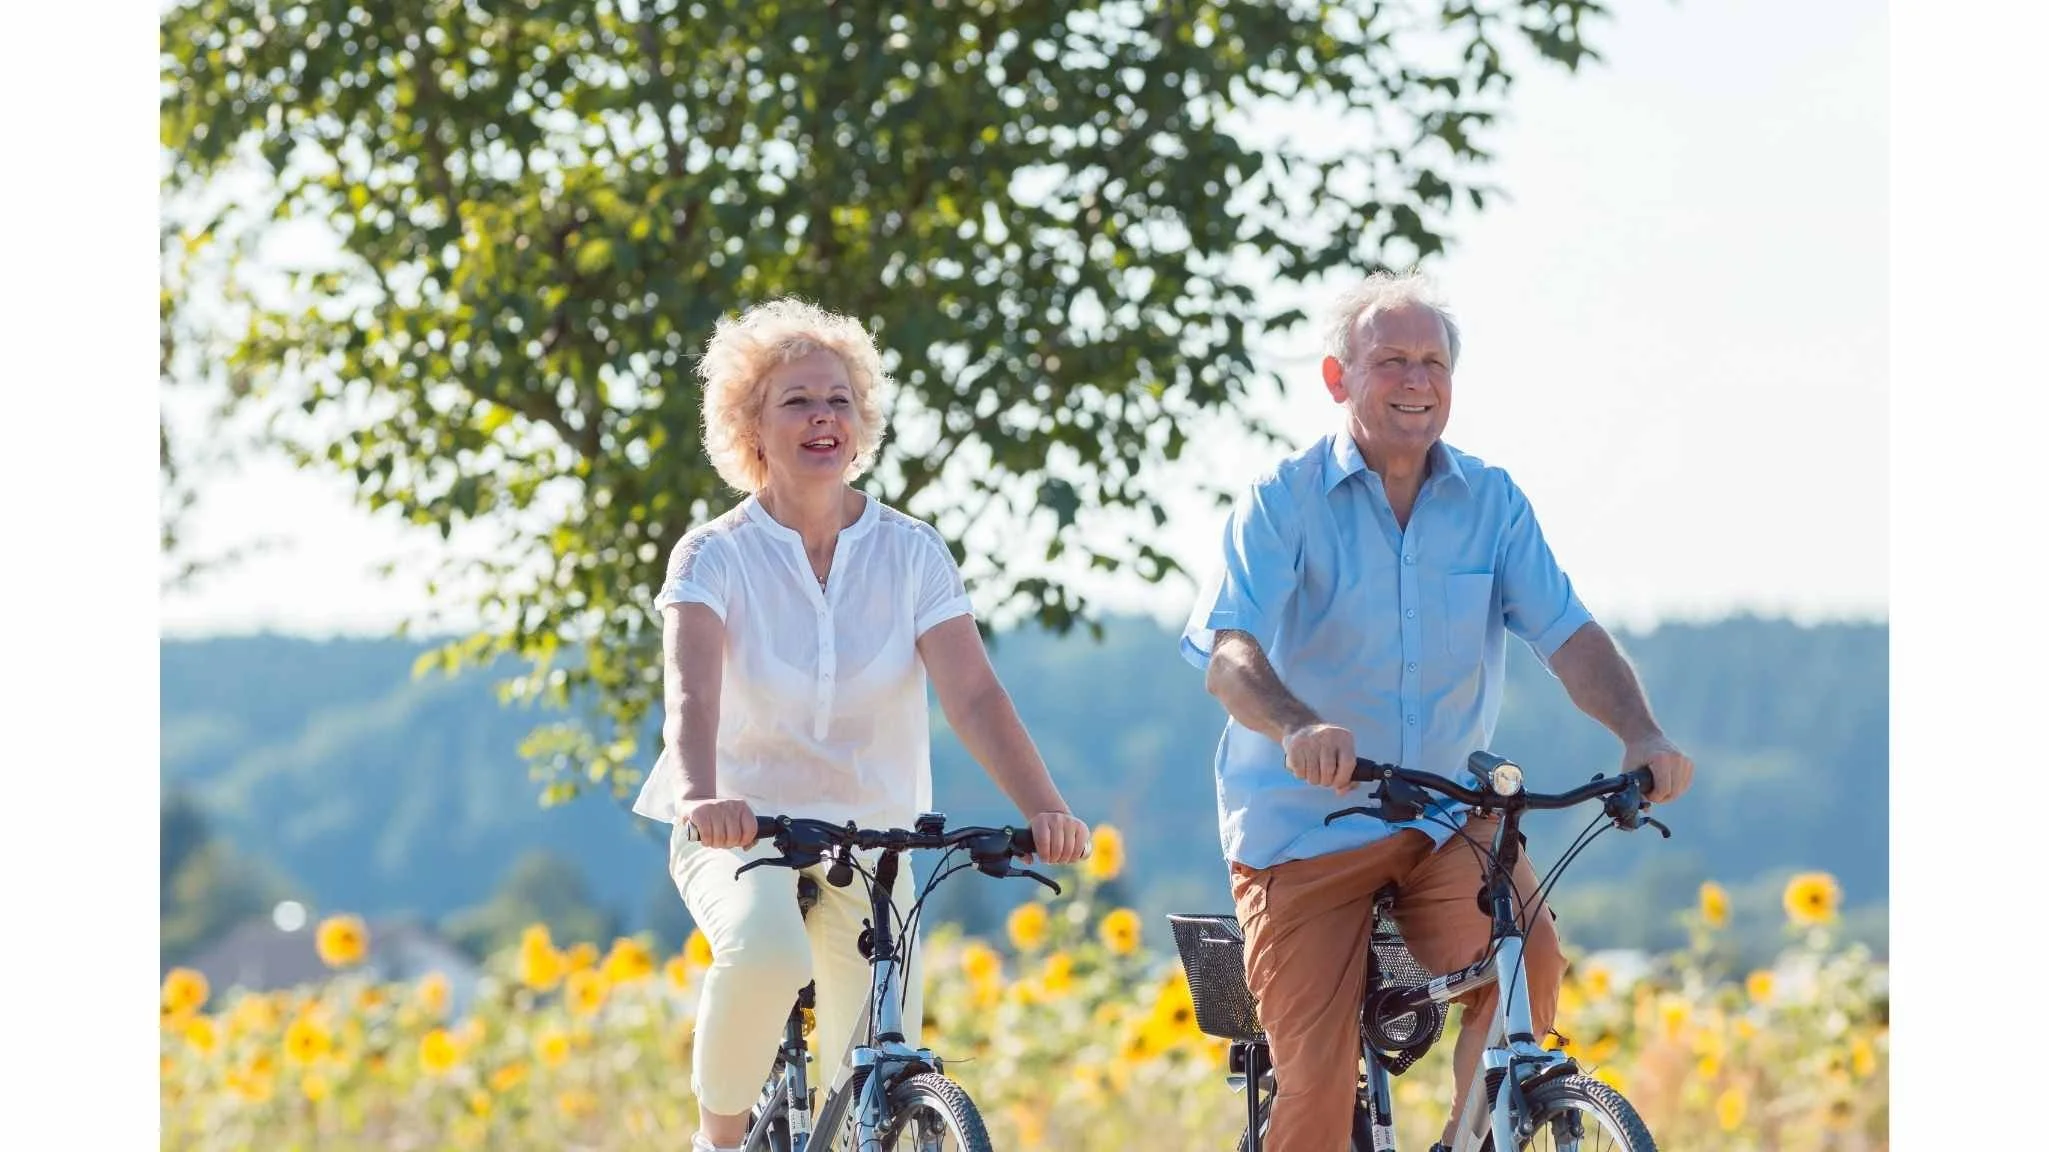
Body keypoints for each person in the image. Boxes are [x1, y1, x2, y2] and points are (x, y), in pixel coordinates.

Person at [1178, 271, 1696, 1152]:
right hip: (1303, 830)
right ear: (1339, 379)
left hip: (1442, 816)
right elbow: (1228, 655)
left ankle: (1471, 1135)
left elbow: (1568, 636)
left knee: (1524, 968)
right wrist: (1298, 726)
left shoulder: (1490, 501)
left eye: (1432, 362)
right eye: (1391, 361)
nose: (1416, 381)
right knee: (1312, 1102)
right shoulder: (1284, 497)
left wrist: (1639, 733)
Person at [631, 297, 1091, 1152]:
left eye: (838, 400)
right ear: (752, 425)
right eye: (797, 400)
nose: (822, 418)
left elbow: (975, 696)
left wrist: (1045, 808)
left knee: (873, 1066)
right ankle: (717, 1139)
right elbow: (691, 698)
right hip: (742, 827)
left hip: (876, 837)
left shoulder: (911, 551)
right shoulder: (712, 555)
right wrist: (702, 797)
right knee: (768, 954)